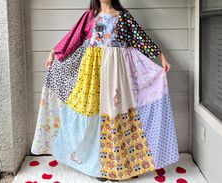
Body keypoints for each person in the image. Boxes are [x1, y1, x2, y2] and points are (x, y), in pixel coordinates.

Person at [31, 0, 179, 182]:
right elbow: (74, 36)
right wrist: (55, 51)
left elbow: (140, 38)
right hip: (93, 73)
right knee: (94, 114)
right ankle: (98, 165)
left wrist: (161, 56)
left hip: (117, 73)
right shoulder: (90, 16)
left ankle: (121, 165)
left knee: (116, 113)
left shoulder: (123, 17)